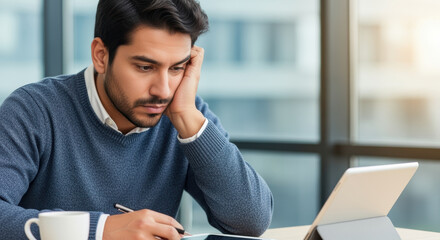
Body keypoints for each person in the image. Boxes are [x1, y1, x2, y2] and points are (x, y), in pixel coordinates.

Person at [0, 0, 273, 239]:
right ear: (101, 56)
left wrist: (188, 120)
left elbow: (250, 221)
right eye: (145, 67)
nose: (163, 90)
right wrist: (101, 230)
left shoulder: (182, 112)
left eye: (177, 68)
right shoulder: (33, 110)